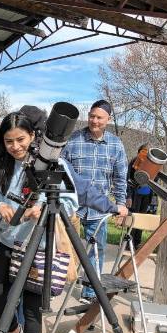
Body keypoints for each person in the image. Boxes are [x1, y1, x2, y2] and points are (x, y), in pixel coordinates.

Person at [0, 112, 127, 333]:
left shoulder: (55, 164)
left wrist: (44, 211)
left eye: (20, 139)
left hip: (40, 247)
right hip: (8, 241)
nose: (15, 146)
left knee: (32, 309)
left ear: (33, 137)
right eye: (8, 141)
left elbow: (70, 203)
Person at [61, 99, 128, 304]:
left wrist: (121, 204)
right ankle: (55, 284)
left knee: (96, 250)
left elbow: (120, 178)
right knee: (63, 247)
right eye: (91, 116)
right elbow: (61, 171)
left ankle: (90, 293)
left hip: (99, 208)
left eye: (99, 117)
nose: (94, 120)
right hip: (73, 206)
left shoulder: (116, 145)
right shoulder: (73, 140)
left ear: (108, 120)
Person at [126, 143, 158, 249]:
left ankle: (137, 242)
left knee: (142, 219)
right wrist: (129, 196)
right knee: (133, 219)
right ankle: (128, 243)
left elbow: (155, 182)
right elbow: (128, 180)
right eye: (144, 151)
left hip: (147, 195)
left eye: (148, 152)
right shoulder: (133, 162)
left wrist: (153, 200)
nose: (146, 154)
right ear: (139, 151)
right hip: (135, 195)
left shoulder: (153, 164)